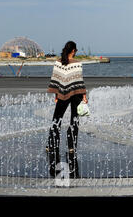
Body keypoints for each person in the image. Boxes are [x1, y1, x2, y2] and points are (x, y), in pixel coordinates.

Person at [46, 41, 87, 178]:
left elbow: (57, 80)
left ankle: (52, 144)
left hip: (62, 94)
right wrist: (84, 96)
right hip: (75, 94)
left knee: (56, 120)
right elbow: (79, 81)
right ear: (74, 50)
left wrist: (57, 95)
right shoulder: (77, 63)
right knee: (74, 120)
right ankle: (71, 146)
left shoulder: (59, 62)